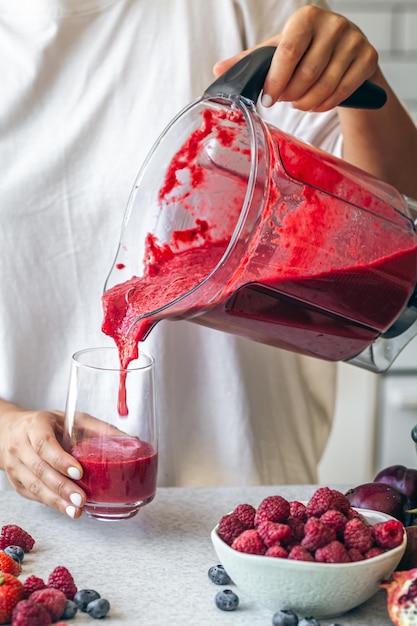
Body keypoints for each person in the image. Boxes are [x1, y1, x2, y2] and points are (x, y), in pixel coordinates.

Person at [0, 0, 416, 521]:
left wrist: (360, 83)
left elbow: (392, 207)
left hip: (258, 509)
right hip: (45, 519)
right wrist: (7, 431)